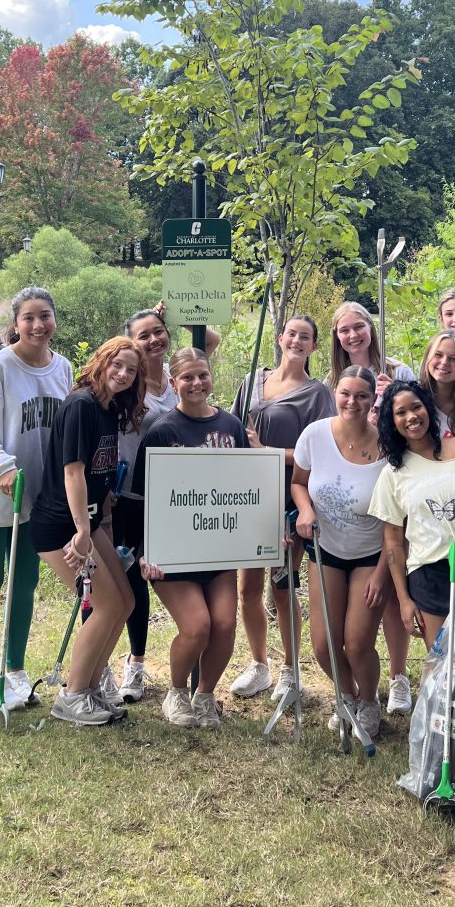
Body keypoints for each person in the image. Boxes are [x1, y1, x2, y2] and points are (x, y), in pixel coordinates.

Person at [0, 286, 74, 710]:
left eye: (45, 316)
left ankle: (18, 672)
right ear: (15, 324)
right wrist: (3, 466)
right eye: (29, 318)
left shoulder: (64, 368)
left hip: (38, 496)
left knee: (25, 584)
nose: (38, 325)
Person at [29, 337, 143, 726]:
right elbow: (73, 472)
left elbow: (99, 473)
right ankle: (72, 695)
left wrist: (97, 519)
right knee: (105, 605)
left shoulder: (109, 409)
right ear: (102, 360)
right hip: (61, 525)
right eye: (118, 365)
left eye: (131, 370)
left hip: (88, 522)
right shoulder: (81, 404)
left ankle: (91, 688)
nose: (123, 374)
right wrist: (81, 532)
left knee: (124, 601)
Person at [138, 347, 248, 728]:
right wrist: (143, 551)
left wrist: (263, 533)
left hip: (218, 548)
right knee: (197, 625)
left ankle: (205, 695)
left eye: (202, 375)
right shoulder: (162, 430)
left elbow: (248, 488)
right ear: (173, 383)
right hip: (172, 553)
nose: (196, 383)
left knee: (224, 623)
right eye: (187, 377)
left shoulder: (231, 426)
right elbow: (142, 499)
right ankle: (176, 692)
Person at [228, 315, 335, 702]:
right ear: (280, 337)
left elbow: (319, 452)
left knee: (283, 585)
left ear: (313, 347)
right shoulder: (253, 380)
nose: (297, 340)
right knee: (248, 586)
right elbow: (235, 428)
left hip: (289, 497)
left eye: (305, 337)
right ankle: (260, 666)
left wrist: (267, 452)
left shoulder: (317, 394)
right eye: (292, 333)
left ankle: (292, 671)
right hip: (249, 495)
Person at [370, 380, 455, 669]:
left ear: (428, 409)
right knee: (444, 671)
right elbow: (392, 540)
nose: (411, 417)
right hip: (427, 576)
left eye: (416, 407)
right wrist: (404, 599)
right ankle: (443, 717)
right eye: (400, 412)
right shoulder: (393, 472)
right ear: (392, 421)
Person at [291, 367, 389, 738]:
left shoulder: (387, 445)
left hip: (371, 554)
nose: (353, 402)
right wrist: (305, 509)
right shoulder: (315, 435)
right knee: (323, 644)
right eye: (346, 393)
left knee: (358, 642)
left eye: (362, 395)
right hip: (325, 548)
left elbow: (398, 519)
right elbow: (299, 482)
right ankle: (345, 696)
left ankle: (369, 701)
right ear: (335, 392)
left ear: (373, 399)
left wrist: (383, 571)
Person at [326, 300, 414, 713]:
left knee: (396, 594)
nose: (353, 335)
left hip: (393, 485)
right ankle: (359, 689)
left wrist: (388, 395)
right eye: (344, 330)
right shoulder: (333, 381)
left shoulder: (396, 371)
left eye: (358, 327)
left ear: (370, 328)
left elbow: (415, 419)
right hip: (350, 499)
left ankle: (398, 677)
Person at [114, 307, 179, 703]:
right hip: (129, 496)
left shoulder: (178, 376)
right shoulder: (126, 378)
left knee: (169, 575)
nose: (153, 340)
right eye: (143, 336)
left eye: (159, 332)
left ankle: (190, 659)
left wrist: (160, 312)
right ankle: (133, 665)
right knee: (128, 580)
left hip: (172, 498)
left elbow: (211, 340)